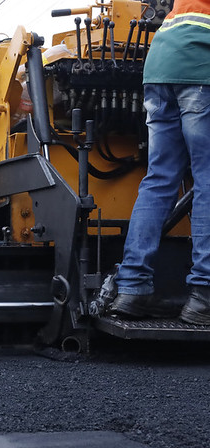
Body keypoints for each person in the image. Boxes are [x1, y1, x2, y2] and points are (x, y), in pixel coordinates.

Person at [108, 0, 210, 325]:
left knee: (158, 180)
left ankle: (132, 288)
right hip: (199, 67)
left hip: (160, 64)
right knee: (207, 181)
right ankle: (203, 295)